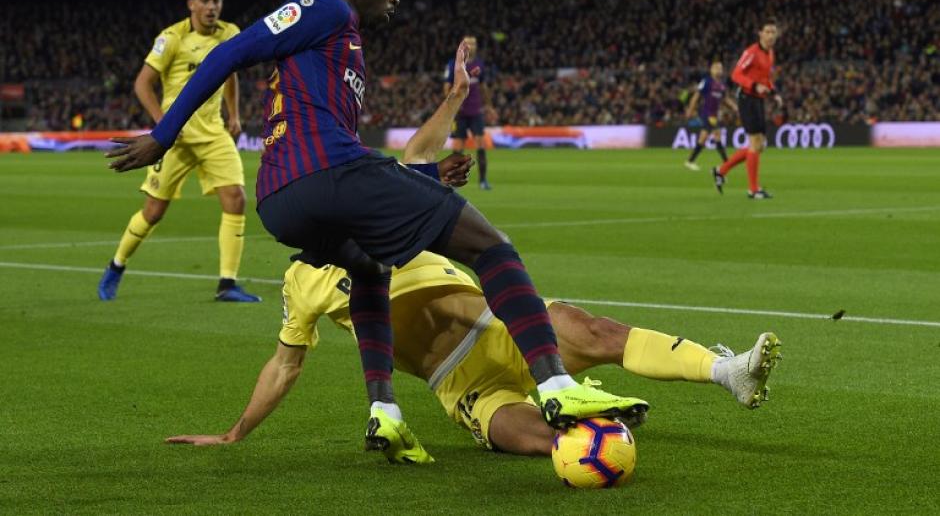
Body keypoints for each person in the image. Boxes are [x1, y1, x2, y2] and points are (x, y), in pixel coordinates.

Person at [107, 0, 646, 462]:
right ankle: (555, 385)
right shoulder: (324, 10)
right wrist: (164, 133)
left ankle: (384, 412)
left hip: (283, 199)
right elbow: (230, 52)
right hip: (322, 174)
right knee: (492, 248)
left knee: (368, 268)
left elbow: (343, 158)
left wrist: (428, 173)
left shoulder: (342, 48)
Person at [165, 95, 783, 459]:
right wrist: (234, 433)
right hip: (456, 379)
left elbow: (415, 154)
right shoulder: (301, 281)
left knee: (590, 328)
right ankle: (593, 435)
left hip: (500, 326)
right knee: (532, 439)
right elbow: (284, 365)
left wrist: (456, 93)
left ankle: (727, 371)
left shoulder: (385, 203)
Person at [97, 0, 260, 303]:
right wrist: (164, 126)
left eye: (216, 0)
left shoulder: (230, 34)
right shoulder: (171, 38)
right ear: (191, 4)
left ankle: (227, 283)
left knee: (236, 198)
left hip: (213, 133)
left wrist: (235, 114)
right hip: (176, 138)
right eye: (205, 0)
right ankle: (117, 265)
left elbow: (231, 76)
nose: (211, 6)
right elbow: (142, 83)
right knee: (154, 211)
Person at [713, 20, 783, 199]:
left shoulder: (770, 54)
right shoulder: (751, 52)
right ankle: (753, 190)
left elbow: (765, 77)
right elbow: (736, 74)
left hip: (758, 100)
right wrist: (754, 86)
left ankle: (721, 170)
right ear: (760, 33)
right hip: (746, 99)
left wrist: (774, 92)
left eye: (773, 32)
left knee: (759, 146)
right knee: (755, 144)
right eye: (767, 32)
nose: (770, 36)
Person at [443, 34, 492, 189]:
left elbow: (483, 87)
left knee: (481, 144)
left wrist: (489, 105)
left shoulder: (480, 64)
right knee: (458, 147)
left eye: (474, 43)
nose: (471, 46)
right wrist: (452, 106)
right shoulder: (453, 64)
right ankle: (452, 182)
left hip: (476, 111)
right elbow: (446, 88)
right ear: (463, 46)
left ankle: (483, 181)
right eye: (468, 43)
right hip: (460, 113)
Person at [684, 61, 737, 171]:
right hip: (707, 114)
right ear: (711, 70)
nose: (719, 70)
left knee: (703, 138)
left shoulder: (721, 85)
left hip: (714, 115)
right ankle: (727, 163)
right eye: (716, 68)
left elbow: (725, 98)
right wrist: (690, 109)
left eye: (720, 68)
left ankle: (690, 161)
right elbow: (696, 95)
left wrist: (733, 106)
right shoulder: (707, 82)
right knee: (716, 135)